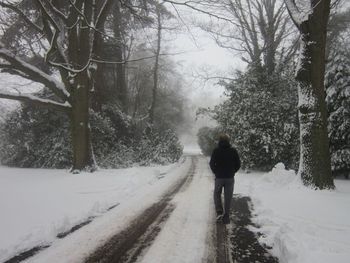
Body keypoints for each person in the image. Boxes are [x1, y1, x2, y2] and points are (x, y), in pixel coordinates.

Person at [209, 133, 241, 224]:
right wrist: (233, 172)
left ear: (219, 141)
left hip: (219, 178)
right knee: (228, 197)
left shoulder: (216, 151)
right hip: (230, 178)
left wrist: (216, 172)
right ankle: (226, 216)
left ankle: (219, 212)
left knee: (217, 194)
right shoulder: (233, 151)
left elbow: (211, 164)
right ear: (228, 141)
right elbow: (238, 164)